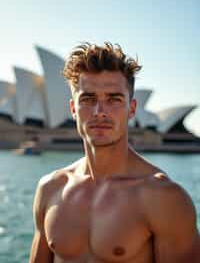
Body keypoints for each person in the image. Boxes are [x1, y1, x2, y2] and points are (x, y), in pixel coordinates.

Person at [29, 42, 200, 263]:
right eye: (88, 99)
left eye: (114, 99)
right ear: (73, 109)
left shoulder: (165, 199)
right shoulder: (51, 188)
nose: (100, 112)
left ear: (132, 109)